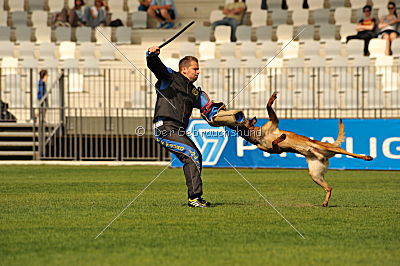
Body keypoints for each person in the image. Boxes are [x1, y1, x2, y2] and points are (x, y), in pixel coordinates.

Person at [146, 46, 222, 208]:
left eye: (198, 69)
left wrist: (222, 114)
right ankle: (194, 198)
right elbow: (155, 66)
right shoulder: (170, 77)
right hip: (164, 128)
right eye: (195, 69)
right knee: (192, 154)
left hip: (178, 130)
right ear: (184, 69)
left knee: (196, 156)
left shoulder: (194, 91)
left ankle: (195, 198)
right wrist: (151, 55)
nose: (198, 72)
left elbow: (208, 109)